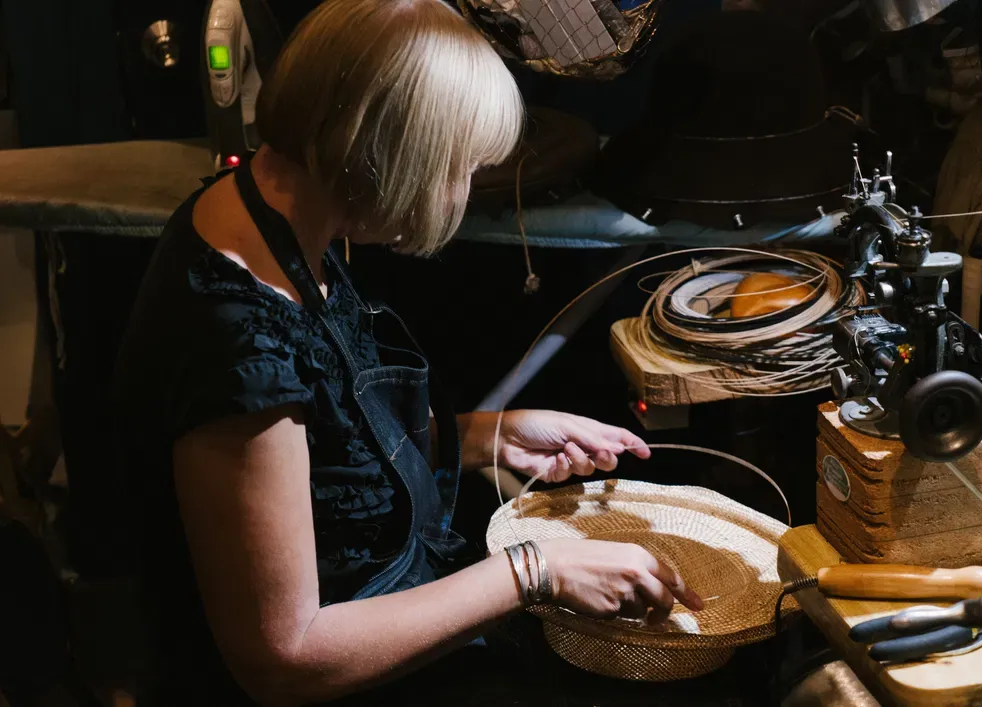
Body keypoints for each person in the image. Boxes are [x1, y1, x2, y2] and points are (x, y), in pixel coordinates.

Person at [112, 1, 703, 705]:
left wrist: (489, 437)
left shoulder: (268, 212)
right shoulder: (237, 343)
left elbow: (319, 457)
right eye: (455, 167)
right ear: (384, 151)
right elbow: (284, 658)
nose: (458, 193)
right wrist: (533, 569)